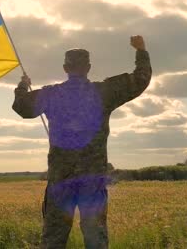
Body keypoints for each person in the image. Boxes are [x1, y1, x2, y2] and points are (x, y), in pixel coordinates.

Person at [12, 35, 152, 248]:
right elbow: (140, 79)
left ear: (65, 68)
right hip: (92, 180)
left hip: (60, 178)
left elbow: (22, 107)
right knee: (95, 238)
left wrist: (23, 85)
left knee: (53, 239)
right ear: (88, 67)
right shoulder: (103, 92)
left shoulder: (51, 95)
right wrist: (140, 50)